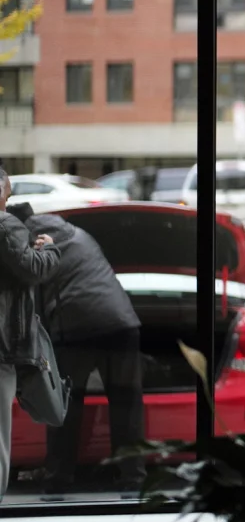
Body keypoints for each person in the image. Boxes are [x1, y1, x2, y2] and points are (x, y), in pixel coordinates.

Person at [8, 204, 144, 494]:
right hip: (122, 324)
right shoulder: (79, 234)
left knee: (64, 405)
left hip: (76, 329)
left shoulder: (31, 248)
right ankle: (133, 478)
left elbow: (33, 305)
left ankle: (59, 478)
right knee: (126, 405)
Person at [0, 167, 61, 500]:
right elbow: (32, 269)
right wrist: (49, 249)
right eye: (6, 196)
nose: (7, 204)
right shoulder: (5, 225)